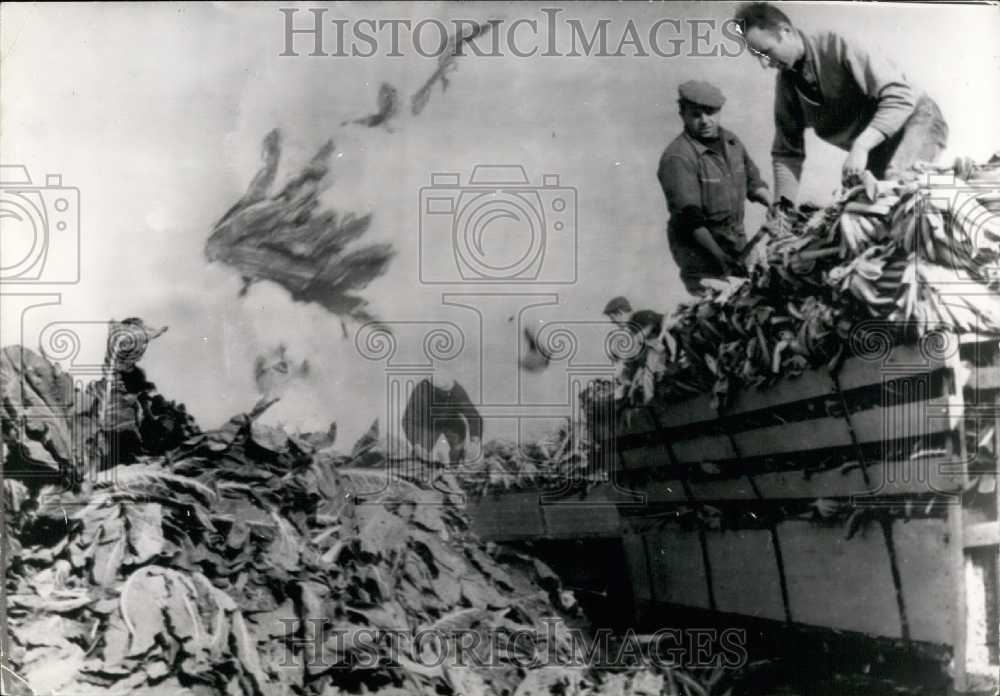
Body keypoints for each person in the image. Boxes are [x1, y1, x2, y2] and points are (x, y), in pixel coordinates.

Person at [733, 2, 948, 209]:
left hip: (916, 121)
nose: (764, 63)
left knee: (899, 186)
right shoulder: (787, 85)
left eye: (766, 51)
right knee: (861, 209)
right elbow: (787, 152)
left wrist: (861, 146)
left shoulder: (838, 44)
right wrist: (783, 206)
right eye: (757, 57)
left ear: (786, 30)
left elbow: (900, 96)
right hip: (877, 149)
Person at [657, 80, 772, 296]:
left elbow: (753, 182)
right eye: (696, 115)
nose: (705, 121)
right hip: (701, 254)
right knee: (717, 315)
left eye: (710, 113)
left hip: (736, 243)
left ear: (719, 111)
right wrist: (720, 258)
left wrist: (771, 203)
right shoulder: (678, 157)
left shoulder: (731, 141)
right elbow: (690, 220)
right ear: (682, 114)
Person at [401, 376, 482, 465]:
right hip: (429, 424)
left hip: (452, 421)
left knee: (458, 453)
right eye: (443, 393)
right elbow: (408, 420)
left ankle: (455, 468)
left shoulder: (456, 390)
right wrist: (416, 443)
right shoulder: (421, 391)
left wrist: (474, 441)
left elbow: (473, 416)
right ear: (432, 389)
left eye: (448, 392)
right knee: (419, 457)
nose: (447, 395)